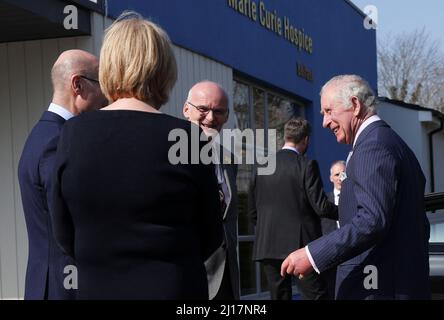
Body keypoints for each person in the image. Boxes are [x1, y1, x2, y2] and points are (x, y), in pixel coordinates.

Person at [50, 12, 223, 299]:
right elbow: (211, 236)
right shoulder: (190, 138)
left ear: (109, 67)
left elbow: (63, 233)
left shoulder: (72, 135)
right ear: (164, 70)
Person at [281, 74, 431, 300]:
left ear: (355, 104)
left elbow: (371, 220)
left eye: (329, 111)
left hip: (380, 288)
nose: (324, 122)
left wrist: (312, 256)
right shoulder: (388, 142)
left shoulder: (373, 146)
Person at [18, 49, 107, 299]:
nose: (108, 96)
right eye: (103, 84)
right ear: (77, 84)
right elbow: (73, 219)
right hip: (62, 289)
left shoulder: (45, 134)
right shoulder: (56, 142)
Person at [249, 118, 337, 300]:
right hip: (301, 246)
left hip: (268, 245)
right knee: (316, 296)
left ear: (285, 137)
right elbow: (321, 206)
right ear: (306, 140)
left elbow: (253, 212)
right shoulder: (306, 165)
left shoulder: (261, 166)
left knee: (278, 297)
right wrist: (346, 210)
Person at [183, 81, 240, 300]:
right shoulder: (168, 155)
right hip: (190, 277)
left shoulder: (229, 159)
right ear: (186, 109)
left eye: (218, 111)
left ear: (226, 117)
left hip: (225, 277)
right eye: (203, 109)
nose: (210, 118)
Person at [321, 160, 345, 235]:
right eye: (337, 175)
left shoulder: (356, 197)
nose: (340, 178)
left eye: (343, 174)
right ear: (331, 178)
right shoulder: (324, 201)